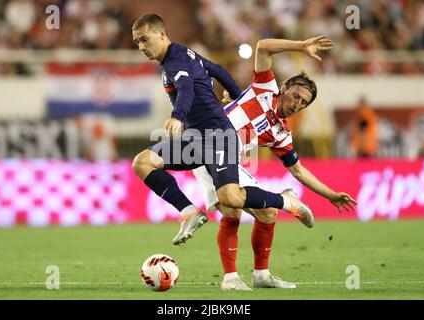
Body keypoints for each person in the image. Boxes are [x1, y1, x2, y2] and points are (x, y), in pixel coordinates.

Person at [131, 13, 314, 246]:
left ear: (162, 34)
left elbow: (186, 88)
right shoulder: (184, 54)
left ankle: (285, 200)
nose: (141, 46)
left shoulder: (175, 61)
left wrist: (178, 116)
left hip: (219, 137)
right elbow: (217, 70)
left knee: (230, 197)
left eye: (144, 39)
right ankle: (190, 213)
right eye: (137, 42)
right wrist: (237, 98)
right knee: (142, 162)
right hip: (197, 139)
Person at [193, 36, 357, 290]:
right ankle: (231, 278)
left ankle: (261, 275)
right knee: (232, 207)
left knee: (267, 214)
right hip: (208, 147)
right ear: (283, 88)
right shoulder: (264, 88)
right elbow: (263, 46)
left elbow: (298, 170)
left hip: (228, 160)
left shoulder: (281, 134)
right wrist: (301, 47)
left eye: (303, 103)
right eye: (295, 96)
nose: (297, 104)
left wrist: (331, 195)